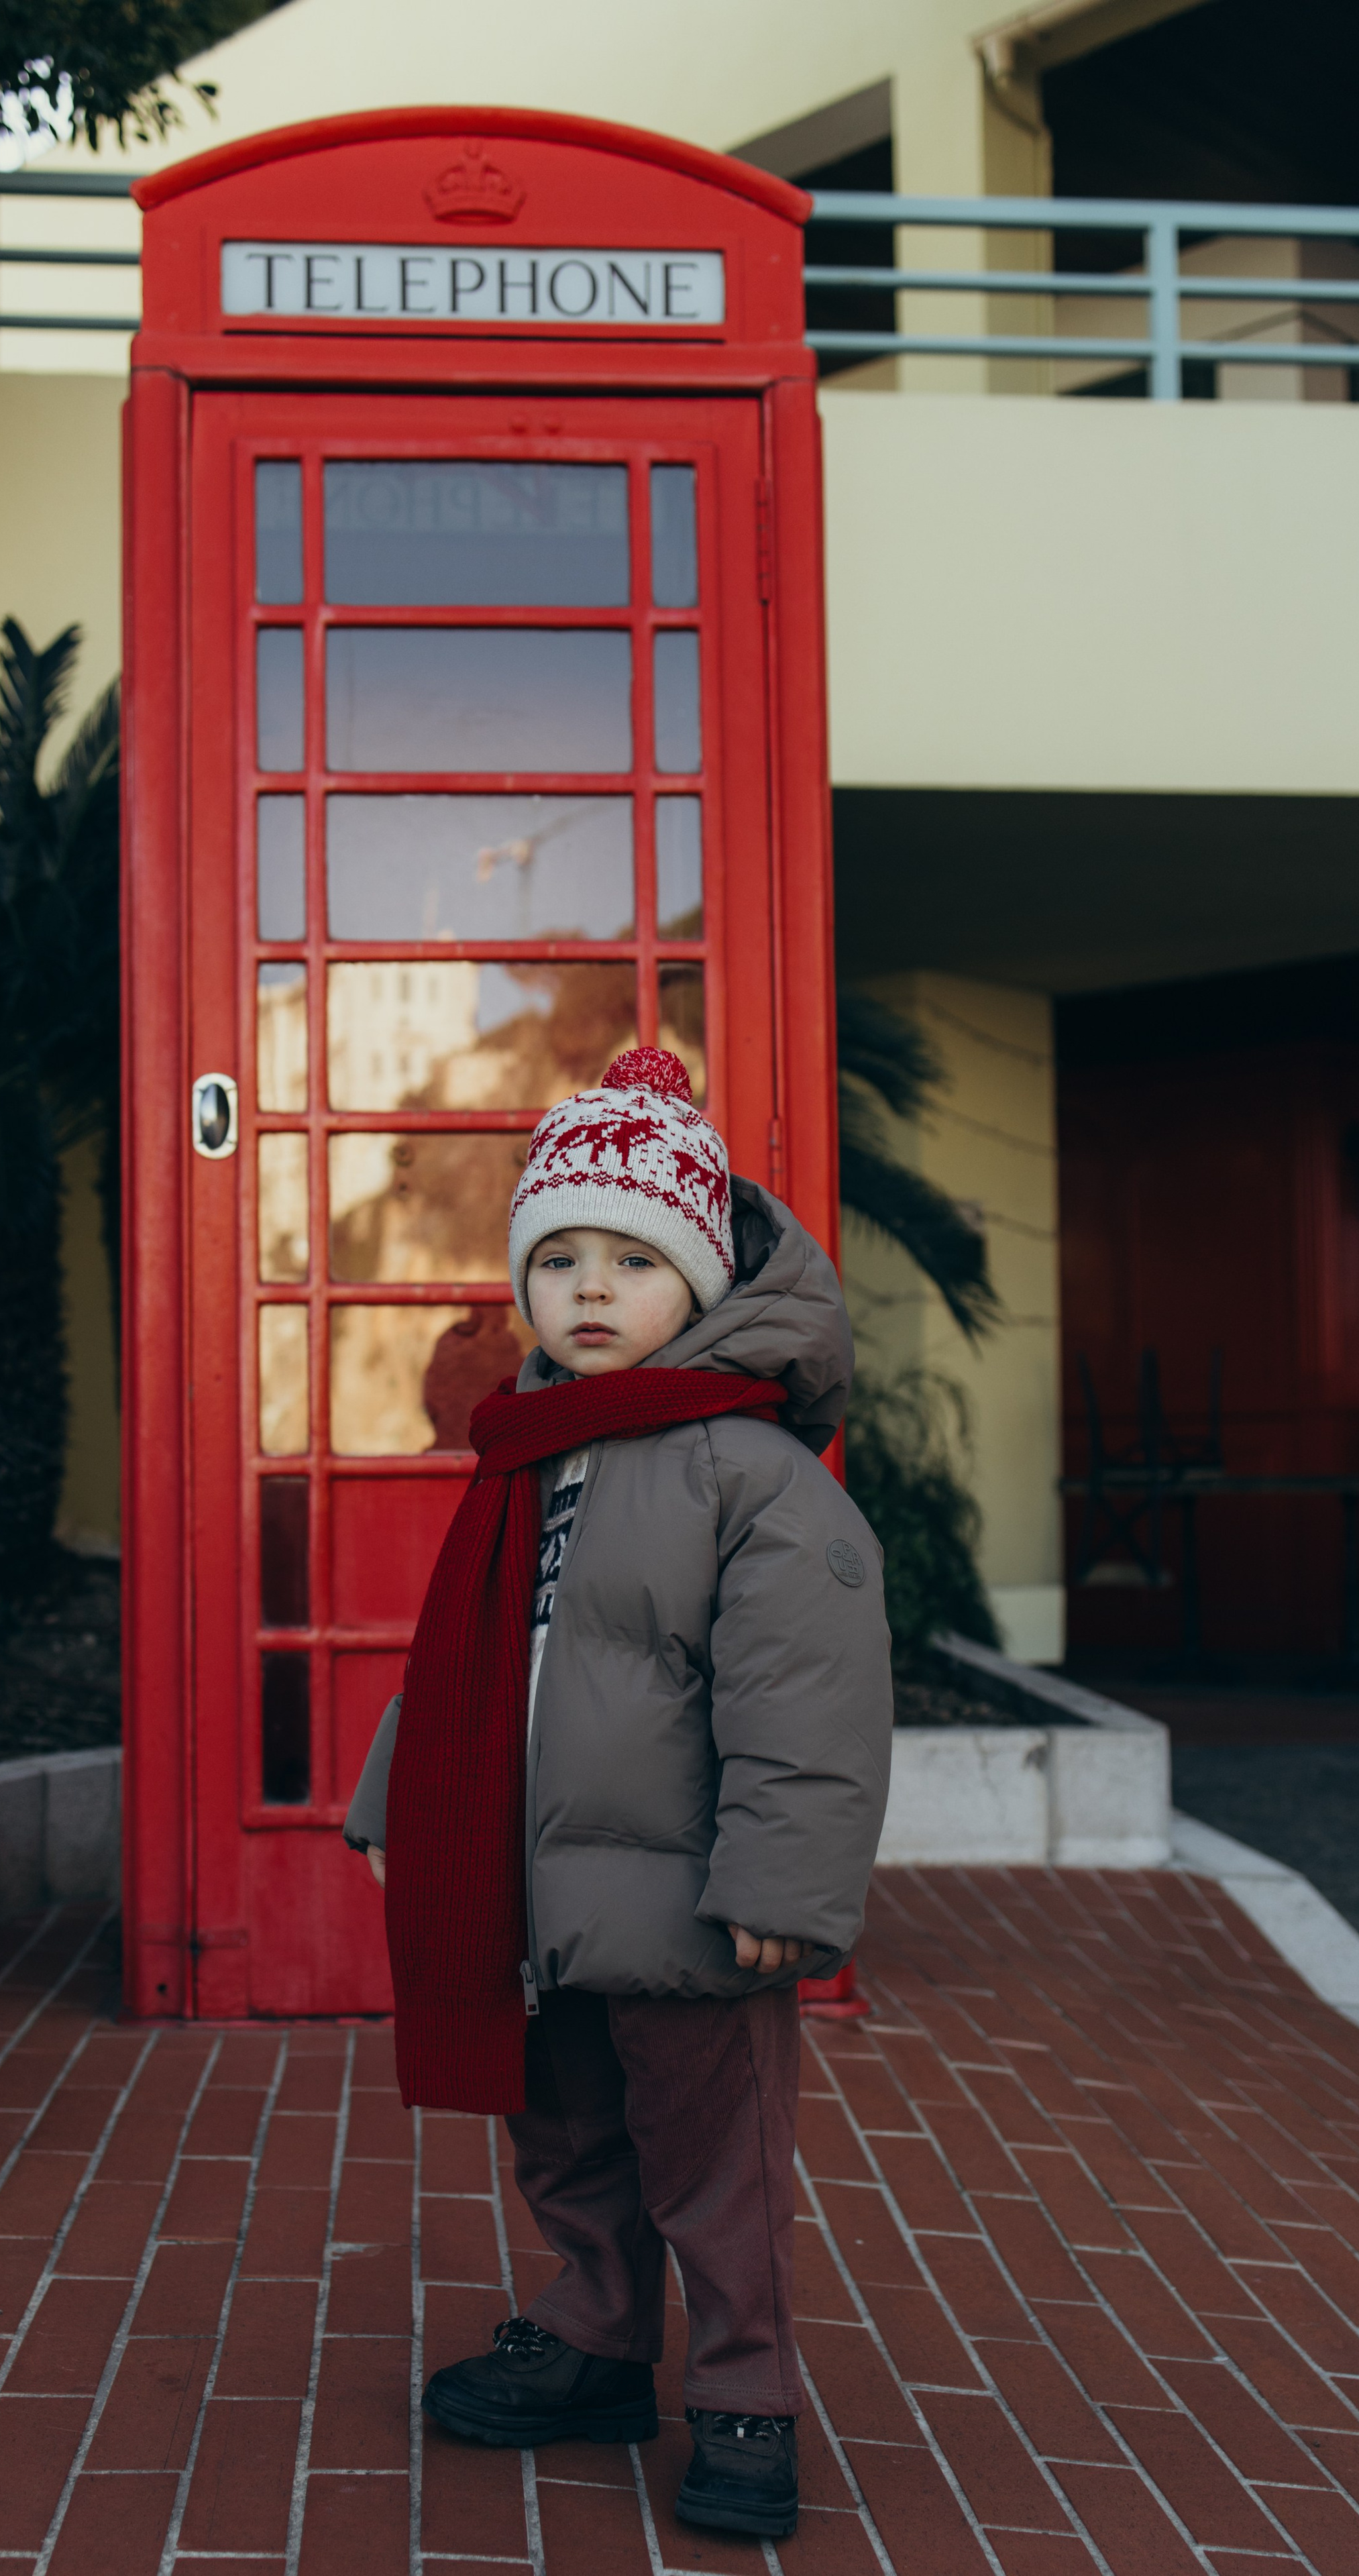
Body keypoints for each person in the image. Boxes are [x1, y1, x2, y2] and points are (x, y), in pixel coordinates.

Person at [344, 1048, 893, 2541]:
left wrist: (784, 1888)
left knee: (714, 2168)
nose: (590, 1289)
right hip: (534, 1897)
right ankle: (595, 2337)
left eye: (633, 1259)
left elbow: (806, 1703)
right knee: (566, 2135)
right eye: (560, 1257)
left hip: (687, 1905)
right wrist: (401, 1805)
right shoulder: (527, 1455)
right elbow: (467, 1658)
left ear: (700, 1287)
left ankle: (743, 2390)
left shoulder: (752, 1477)